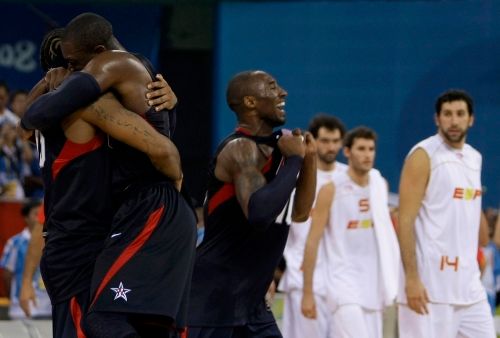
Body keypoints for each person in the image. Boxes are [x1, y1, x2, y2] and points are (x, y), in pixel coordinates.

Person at [20, 25, 192, 338]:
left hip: (74, 240)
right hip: (80, 243)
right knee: (101, 325)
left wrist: (169, 103)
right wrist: (176, 180)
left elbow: (25, 124)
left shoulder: (47, 119)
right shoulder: (89, 106)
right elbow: (162, 148)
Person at [188, 70, 316, 338]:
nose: (283, 92)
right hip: (213, 299)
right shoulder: (239, 149)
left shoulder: (280, 147)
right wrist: (294, 161)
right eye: (272, 86)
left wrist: (308, 159)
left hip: (252, 301)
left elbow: (301, 213)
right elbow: (259, 214)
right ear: (250, 102)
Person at [397, 89, 495, 337]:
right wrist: (411, 279)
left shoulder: (474, 158)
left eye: (460, 114)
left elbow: (479, 233)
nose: (454, 120)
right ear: (437, 119)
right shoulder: (423, 155)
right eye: (447, 114)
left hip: (469, 288)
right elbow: (404, 220)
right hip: (430, 288)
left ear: (471, 119)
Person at [301, 127, 399, 338]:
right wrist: (307, 292)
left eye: (371, 149)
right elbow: (312, 241)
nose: (367, 154)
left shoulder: (379, 184)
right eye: (361, 148)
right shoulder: (330, 190)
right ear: (347, 152)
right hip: (343, 285)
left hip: (373, 287)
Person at [278, 113, 347, 338]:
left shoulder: (348, 178)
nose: (330, 146)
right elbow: (282, 224)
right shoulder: (299, 177)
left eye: (335, 141)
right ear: (313, 141)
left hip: (339, 279)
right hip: (302, 277)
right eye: (325, 140)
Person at [0, 199, 51, 319]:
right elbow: (7, 275)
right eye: (35, 214)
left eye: (41, 214)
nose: (39, 218)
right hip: (22, 310)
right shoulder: (15, 243)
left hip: (49, 308)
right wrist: (15, 298)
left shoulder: (52, 241)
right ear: (26, 218)